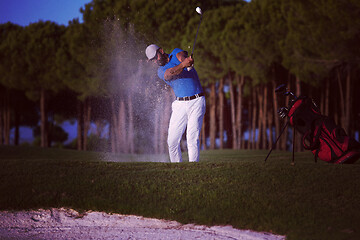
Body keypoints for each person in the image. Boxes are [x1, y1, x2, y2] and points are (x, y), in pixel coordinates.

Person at [145, 44, 206, 163]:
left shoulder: (175, 53)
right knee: (172, 141)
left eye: (155, 57)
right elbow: (170, 74)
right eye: (152, 60)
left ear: (161, 51)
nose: (155, 61)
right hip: (180, 104)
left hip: (197, 101)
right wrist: (184, 64)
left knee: (191, 138)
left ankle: (193, 169)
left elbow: (181, 55)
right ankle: (177, 168)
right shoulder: (161, 71)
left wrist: (186, 61)